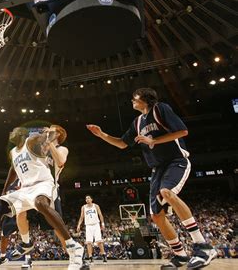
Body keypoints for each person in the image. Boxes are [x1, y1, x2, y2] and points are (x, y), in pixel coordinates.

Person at [86, 87, 217, 269]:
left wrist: (154, 141)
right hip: (157, 169)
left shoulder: (160, 109)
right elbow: (123, 144)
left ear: (145, 99)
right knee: (157, 216)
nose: (132, 101)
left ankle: (203, 246)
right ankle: (180, 255)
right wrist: (102, 135)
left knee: (167, 192)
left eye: (135, 98)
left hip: (176, 161)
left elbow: (182, 132)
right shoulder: (137, 122)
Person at [0, 127, 89, 270]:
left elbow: (59, 159)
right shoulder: (23, 149)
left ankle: (74, 251)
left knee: (54, 226)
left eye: (52, 129)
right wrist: (5, 191)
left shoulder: (53, 146)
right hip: (26, 187)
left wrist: (46, 134)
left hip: (46, 185)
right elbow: (14, 168)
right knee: (2, 207)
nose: (10, 132)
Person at [12, 125, 69, 265]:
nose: (47, 130)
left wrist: (49, 142)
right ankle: (26, 247)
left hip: (49, 189)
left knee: (58, 228)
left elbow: (61, 161)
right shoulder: (40, 147)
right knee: (20, 212)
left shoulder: (62, 149)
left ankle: (74, 256)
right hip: (32, 188)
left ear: (58, 134)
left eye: (51, 129)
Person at [0, 179, 20, 267]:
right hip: (9, 213)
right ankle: (2, 257)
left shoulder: (24, 179)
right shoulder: (9, 184)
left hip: (20, 211)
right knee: (4, 235)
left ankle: (28, 259)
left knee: (24, 236)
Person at [76, 195, 107, 263]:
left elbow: (100, 215)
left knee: (99, 241)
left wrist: (102, 223)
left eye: (88, 198)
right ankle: (90, 256)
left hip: (96, 225)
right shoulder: (83, 207)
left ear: (91, 199)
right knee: (89, 242)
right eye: (86, 198)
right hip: (88, 226)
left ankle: (103, 255)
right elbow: (81, 217)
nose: (87, 199)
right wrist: (78, 225)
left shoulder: (96, 206)